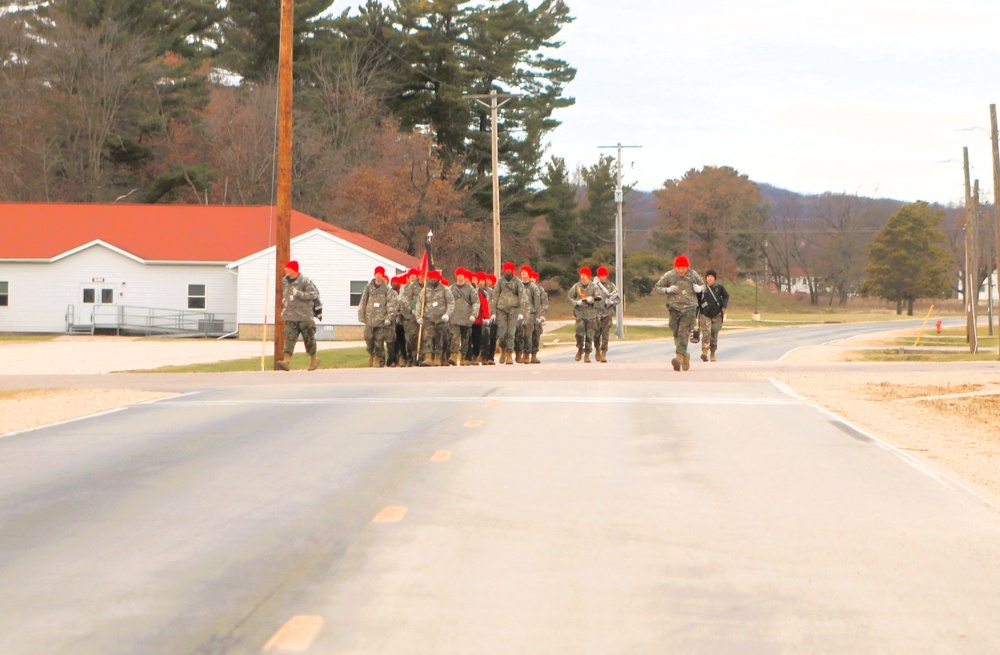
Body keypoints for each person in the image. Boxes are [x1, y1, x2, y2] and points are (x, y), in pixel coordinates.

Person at [655, 255, 705, 372]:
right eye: (679, 268)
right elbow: (657, 287)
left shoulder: (693, 275)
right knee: (676, 332)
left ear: (687, 267)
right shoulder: (670, 275)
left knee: (683, 332)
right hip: (674, 308)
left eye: (683, 268)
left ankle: (678, 358)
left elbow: (704, 286)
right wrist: (667, 290)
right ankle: (684, 355)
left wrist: (700, 288)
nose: (681, 271)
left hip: (689, 308)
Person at [276, 260, 321, 371]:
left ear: (294, 269)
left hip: (304, 316)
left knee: (308, 338)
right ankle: (286, 361)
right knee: (289, 338)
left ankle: (314, 359)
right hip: (290, 315)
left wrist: (299, 293)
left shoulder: (304, 281)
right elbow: (286, 294)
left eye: (288, 268)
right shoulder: (285, 281)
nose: (286, 269)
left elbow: (314, 294)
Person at [357, 266, 399, 367]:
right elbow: (363, 301)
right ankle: (371, 354)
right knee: (369, 339)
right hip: (369, 319)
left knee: (378, 341)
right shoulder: (368, 287)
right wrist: (361, 315)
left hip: (381, 320)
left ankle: (377, 358)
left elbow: (390, 304)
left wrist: (389, 318)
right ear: (374, 274)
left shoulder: (386, 289)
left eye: (381, 273)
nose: (379, 275)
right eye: (377, 273)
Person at [491, 262, 528, 365]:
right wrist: (493, 312)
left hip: (514, 310)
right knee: (502, 334)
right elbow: (495, 297)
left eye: (509, 269)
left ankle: (509, 354)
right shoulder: (499, 282)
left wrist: (521, 312)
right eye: (506, 269)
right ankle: (503, 351)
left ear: (512, 271)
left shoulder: (517, 282)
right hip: (501, 310)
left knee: (511, 333)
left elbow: (522, 297)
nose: (507, 271)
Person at [418, 269, 455, 365]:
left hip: (441, 319)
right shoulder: (425, 290)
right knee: (428, 337)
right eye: (431, 277)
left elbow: (451, 303)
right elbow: (419, 304)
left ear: (438, 278)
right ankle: (428, 357)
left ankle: (438, 358)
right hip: (428, 318)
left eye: (435, 277)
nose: (433, 279)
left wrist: (447, 314)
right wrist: (418, 316)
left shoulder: (445, 289)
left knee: (440, 338)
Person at [567, 266, 603, 363]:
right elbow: (569, 297)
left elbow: (599, 299)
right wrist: (576, 302)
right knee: (579, 332)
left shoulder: (594, 287)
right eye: (581, 275)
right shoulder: (576, 286)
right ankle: (579, 349)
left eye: (585, 275)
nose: (583, 277)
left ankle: (587, 353)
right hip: (580, 313)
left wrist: (593, 300)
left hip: (591, 314)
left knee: (589, 335)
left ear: (588, 276)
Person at [449, 267, 481, 365]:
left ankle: (463, 356)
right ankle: (454, 355)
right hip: (454, 317)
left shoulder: (470, 289)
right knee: (455, 337)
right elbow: (448, 301)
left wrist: (474, 314)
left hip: (466, 317)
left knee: (465, 338)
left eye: (461, 274)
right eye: (458, 274)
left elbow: (476, 302)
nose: (460, 277)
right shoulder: (451, 288)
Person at [697, 269, 729, 362]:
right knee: (706, 332)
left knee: (714, 333)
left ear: (714, 278)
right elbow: (697, 300)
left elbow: (726, 296)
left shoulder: (719, 287)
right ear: (706, 278)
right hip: (705, 313)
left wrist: (724, 306)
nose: (710, 278)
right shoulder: (702, 289)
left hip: (716, 314)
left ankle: (713, 353)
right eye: (708, 277)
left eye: (711, 277)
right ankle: (704, 352)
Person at [592, 265, 619, 363]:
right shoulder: (594, 285)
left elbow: (617, 298)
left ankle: (604, 353)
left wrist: (612, 302)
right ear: (598, 276)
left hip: (607, 313)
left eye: (604, 276)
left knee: (605, 334)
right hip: (595, 313)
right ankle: (597, 348)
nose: (603, 277)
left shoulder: (611, 286)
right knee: (596, 334)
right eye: (601, 276)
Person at [515, 265, 541, 363]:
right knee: (518, 334)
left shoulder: (533, 287)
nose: (523, 273)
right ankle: (518, 353)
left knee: (528, 335)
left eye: (525, 272)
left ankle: (527, 354)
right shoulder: (518, 285)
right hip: (519, 313)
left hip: (530, 313)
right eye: (522, 271)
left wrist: (538, 316)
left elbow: (537, 303)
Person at [529, 270, 547, 364]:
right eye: (530, 277)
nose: (532, 279)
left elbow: (544, 303)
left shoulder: (540, 290)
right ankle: (526, 354)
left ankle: (534, 355)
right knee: (526, 336)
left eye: (534, 278)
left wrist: (542, 315)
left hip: (537, 316)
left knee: (536, 335)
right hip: (526, 316)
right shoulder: (523, 288)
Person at [389, 275, 407, 366]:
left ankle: (403, 358)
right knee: (393, 340)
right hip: (392, 319)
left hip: (403, 318)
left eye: (396, 282)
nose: (394, 284)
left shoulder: (403, 292)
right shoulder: (389, 293)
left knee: (403, 340)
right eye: (392, 282)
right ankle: (393, 359)